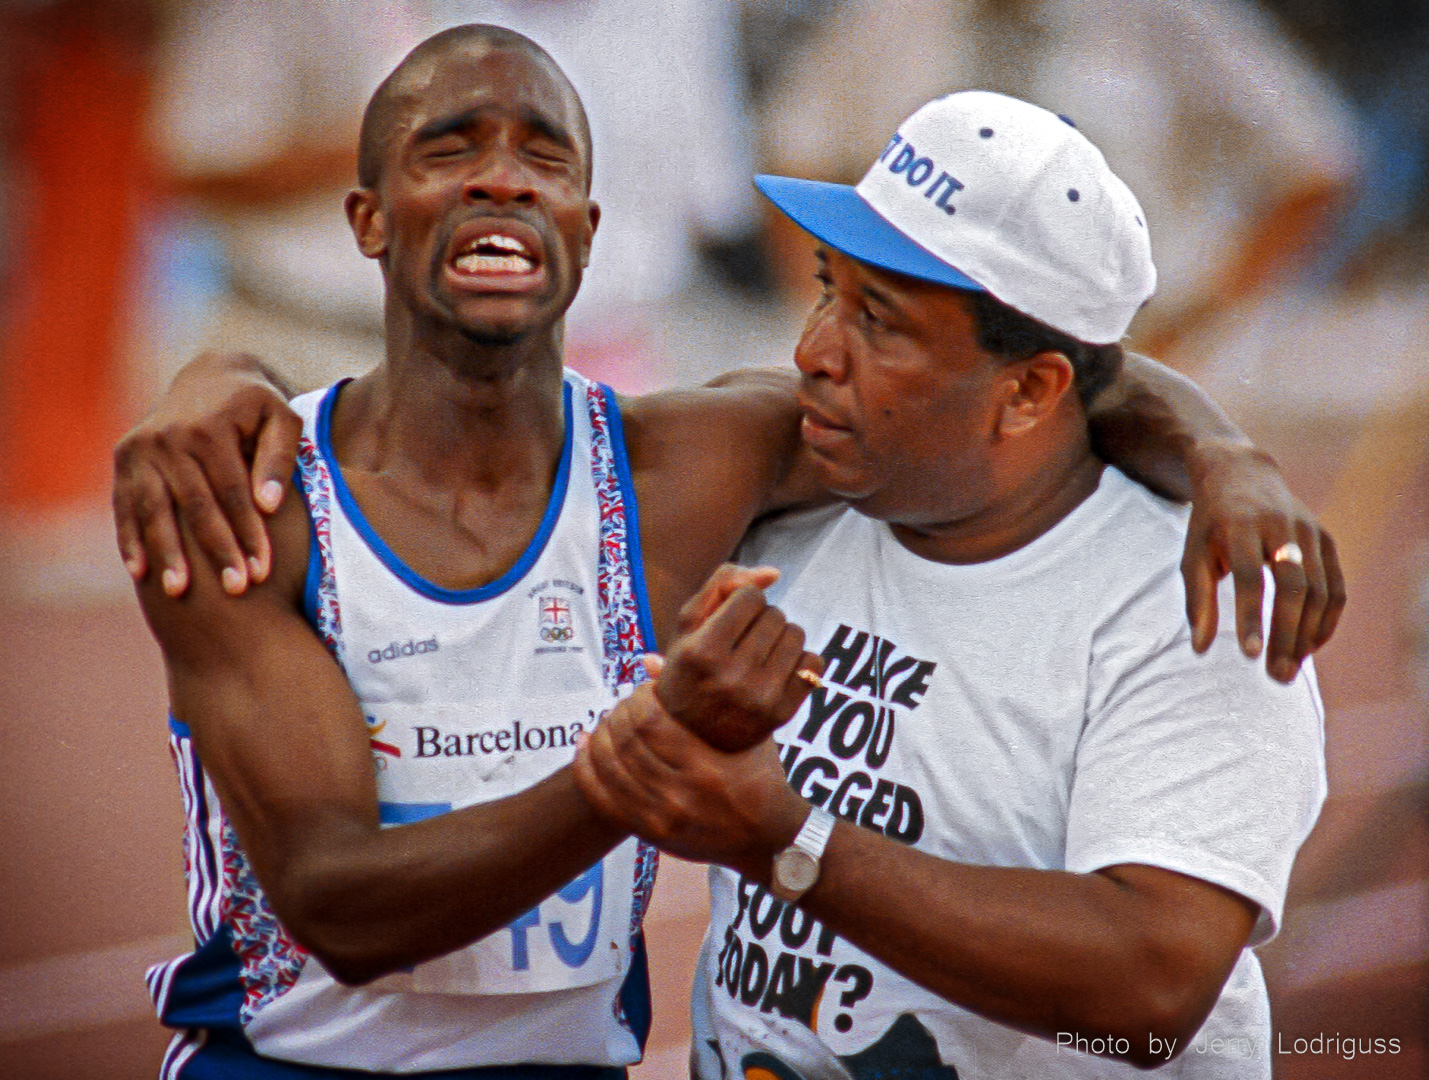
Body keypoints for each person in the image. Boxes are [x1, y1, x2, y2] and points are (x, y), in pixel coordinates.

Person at [118, 25, 1341, 1079]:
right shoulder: (254, 499)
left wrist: (1230, 457)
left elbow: (1063, 387)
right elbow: (338, 901)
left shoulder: (703, 474)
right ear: (366, 219)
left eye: (541, 156)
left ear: (590, 232)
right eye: (450, 147)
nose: (814, 351)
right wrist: (219, 371)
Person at [570, 92, 1328, 1079]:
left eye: (878, 321)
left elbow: (1153, 989)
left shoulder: (1190, 602)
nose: (813, 350)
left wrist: (785, 840)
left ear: (1029, 392)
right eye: (824, 286)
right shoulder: (784, 506)